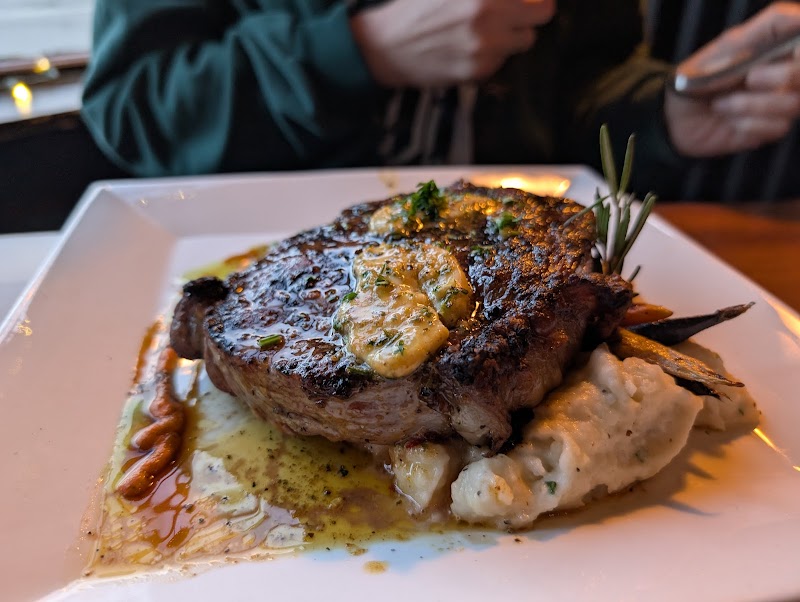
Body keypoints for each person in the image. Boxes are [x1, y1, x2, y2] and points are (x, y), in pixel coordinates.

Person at [81, 0, 800, 198]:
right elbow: (135, 107)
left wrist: (665, 113)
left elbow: (581, 96)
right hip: (240, 253)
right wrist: (359, 50)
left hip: (509, 248)